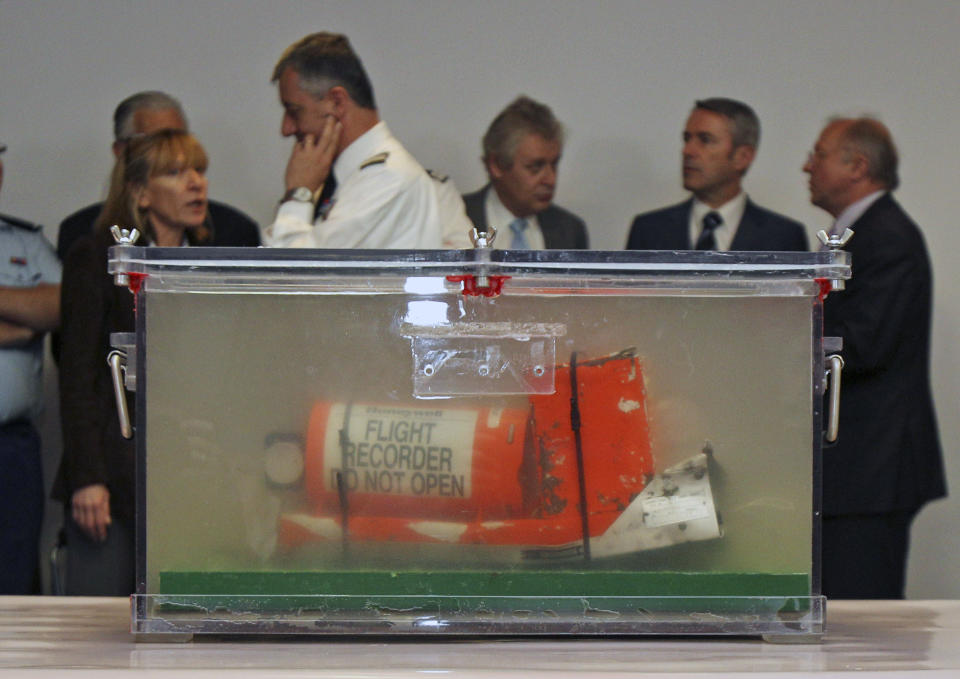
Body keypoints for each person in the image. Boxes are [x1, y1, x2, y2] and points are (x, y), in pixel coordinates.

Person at [52, 130, 221, 595]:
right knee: (100, 630)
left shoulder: (211, 265)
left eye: (200, 170)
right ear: (140, 193)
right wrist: (88, 478)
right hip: (113, 478)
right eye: (176, 172)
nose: (195, 184)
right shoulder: (96, 259)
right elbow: (79, 375)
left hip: (194, 474)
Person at [805, 117, 945, 599]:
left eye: (819, 154)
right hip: (859, 471)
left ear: (857, 166)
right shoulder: (863, 233)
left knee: (862, 627)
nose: (807, 165)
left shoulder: (886, 236)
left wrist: (783, 333)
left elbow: (865, 344)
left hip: (871, 470)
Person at [263, 32, 446, 249]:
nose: (286, 129)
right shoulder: (346, 178)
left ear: (337, 102)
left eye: (294, 111)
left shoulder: (387, 179)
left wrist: (298, 194)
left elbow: (296, 273)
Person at [56, 91, 260, 261]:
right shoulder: (87, 241)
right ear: (121, 153)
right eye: (172, 169)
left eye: (198, 169)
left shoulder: (235, 234)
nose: (196, 183)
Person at [626, 98, 807, 251]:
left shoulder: (784, 237)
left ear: (742, 157)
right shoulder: (648, 230)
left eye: (705, 140)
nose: (688, 151)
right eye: (687, 139)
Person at [0, 142, 61, 594]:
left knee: (14, 574)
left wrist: (33, 318)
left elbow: (57, 307)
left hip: (12, 446)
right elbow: (31, 319)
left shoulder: (24, 241)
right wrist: (20, 325)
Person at [462, 96, 587, 249]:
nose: (550, 180)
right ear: (496, 165)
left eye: (554, 164)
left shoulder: (570, 230)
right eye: (535, 167)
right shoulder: (457, 218)